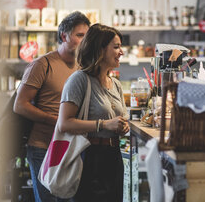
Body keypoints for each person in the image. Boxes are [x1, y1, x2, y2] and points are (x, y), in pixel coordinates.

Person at [13, 11, 90, 201]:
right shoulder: (42, 64)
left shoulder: (83, 67)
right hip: (43, 147)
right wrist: (57, 121)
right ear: (64, 36)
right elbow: (20, 105)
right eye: (80, 35)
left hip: (72, 148)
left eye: (87, 36)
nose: (84, 41)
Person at [58, 24, 129, 201]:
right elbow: (64, 123)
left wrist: (123, 126)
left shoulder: (116, 84)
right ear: (100, 49)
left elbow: (119, 118)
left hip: (113, 157)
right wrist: (104, 124)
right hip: (89, 157)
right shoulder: (79, 80)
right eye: (116, 47)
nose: (121, 52)